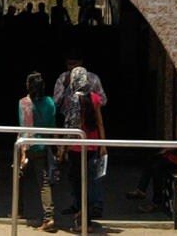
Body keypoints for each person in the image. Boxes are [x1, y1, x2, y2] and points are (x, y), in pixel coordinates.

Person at [57, 67, 106, 231]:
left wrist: (63, 148)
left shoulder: (72, 99)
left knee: (77, 182)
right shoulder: (95, 98)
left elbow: (69, 126)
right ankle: (86, 216)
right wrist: (103, 145)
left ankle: (84, 218)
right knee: (90, 182)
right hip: (92, 146)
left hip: (76, 147)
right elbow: (100, 123)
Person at [126, 99, 177, 214]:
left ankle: (156, 202)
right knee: (152, 158)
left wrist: (170, 149)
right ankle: (141, 189)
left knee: (158, 167)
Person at [17, 71, 58, 232]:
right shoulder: (49, 102)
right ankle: (48, 216)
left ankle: (19, 211)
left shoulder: (24, 103)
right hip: (44, 146)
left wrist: (23, 153)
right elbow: (53, 125)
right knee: (44, 182)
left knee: (18, 175)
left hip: (29, 145)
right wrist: (58, 147)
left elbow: (25, 128)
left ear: (28, 86)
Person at [52, 47, 107, 128]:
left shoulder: (93, 79)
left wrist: (88, 100)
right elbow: (55, 102)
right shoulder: (63, 78)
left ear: (81, 62)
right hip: (69, 121)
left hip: (89, 121)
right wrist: (64, 86)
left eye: (74, 64)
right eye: (69, 64)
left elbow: (103, 100)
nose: (71, 67)